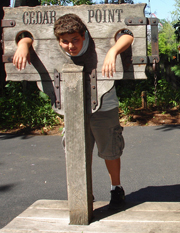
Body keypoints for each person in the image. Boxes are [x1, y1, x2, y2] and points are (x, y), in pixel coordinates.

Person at [13, 13, 134, 210]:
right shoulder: (58, 48)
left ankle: (116, 187)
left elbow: (128, 34)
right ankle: (84, 191)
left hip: (105, 106)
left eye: (75, 40)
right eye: (65, 42)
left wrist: (112, 52)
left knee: (110, 150)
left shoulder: (92, 43)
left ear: (84, 35)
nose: (71, 46)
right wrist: (23, 44)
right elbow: (27, 35)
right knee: (77, 150)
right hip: (73, 106)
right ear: (58, 41)